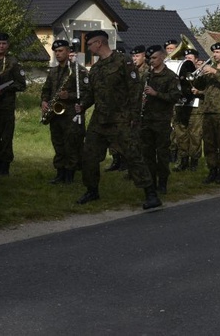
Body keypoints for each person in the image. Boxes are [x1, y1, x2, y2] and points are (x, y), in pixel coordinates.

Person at [75, 30, 162, 209]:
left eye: (90, 44)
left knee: (133, 155)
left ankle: (151, 194)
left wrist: (134, 116)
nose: (89, 48)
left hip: (122, 118)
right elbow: (92, 93)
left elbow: (135, 90)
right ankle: (92, 190)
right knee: (89, 155)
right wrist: (82, 106)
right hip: (100, 119)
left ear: (99, 43)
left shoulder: (123, 61)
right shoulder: (97, 68)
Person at [41, 39, 88, 184]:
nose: (58, 54)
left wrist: (70, 96)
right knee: (58, 144)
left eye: (61, 51)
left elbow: (87, 93)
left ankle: (70, 175)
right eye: (55, 51)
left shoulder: (79, 71)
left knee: (71, 145)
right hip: (55, 115)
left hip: (71, 115)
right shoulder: (53, 71)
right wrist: (44, 101)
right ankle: (59, 173)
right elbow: (46, 89)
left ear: (68, 52)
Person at [191, 42, 220, 184]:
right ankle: (212, 170)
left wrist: (214, 72)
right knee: (209, 143)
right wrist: (198, 72)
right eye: (214, 52)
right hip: (208, 110)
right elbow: (198, 85)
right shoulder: (210, 69)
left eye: (218, 52)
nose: (215, 55)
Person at [139, 45, 182, 194]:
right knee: (147, 153)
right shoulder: (146, 75)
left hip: (162, 121)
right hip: (146, 120)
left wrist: (156, 94)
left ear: (163, 57)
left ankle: (163, 183)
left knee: (162, 154)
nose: (152, 61)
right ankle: (151, 182)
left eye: (155, 58)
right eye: (150, 58)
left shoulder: (170, 76)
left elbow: (175, 96)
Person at [0, 32, 27, 175]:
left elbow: (22, 84)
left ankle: (5, 165)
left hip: (6, 106)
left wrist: (5, 90)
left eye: (4, 43)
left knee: (6, 136)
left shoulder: (13, 62)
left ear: (8, 45)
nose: (1, 46)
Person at [172, 48, 202, 172]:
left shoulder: (201, 73)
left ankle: (194, 162)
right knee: (181, 135)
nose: (187, 60)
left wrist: (199, 91)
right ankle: (183, 160)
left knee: (195, 136)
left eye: (190, 58)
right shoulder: (180, 72)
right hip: (180, 107)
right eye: (186, 58)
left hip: (195, 108)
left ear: (196, 60)